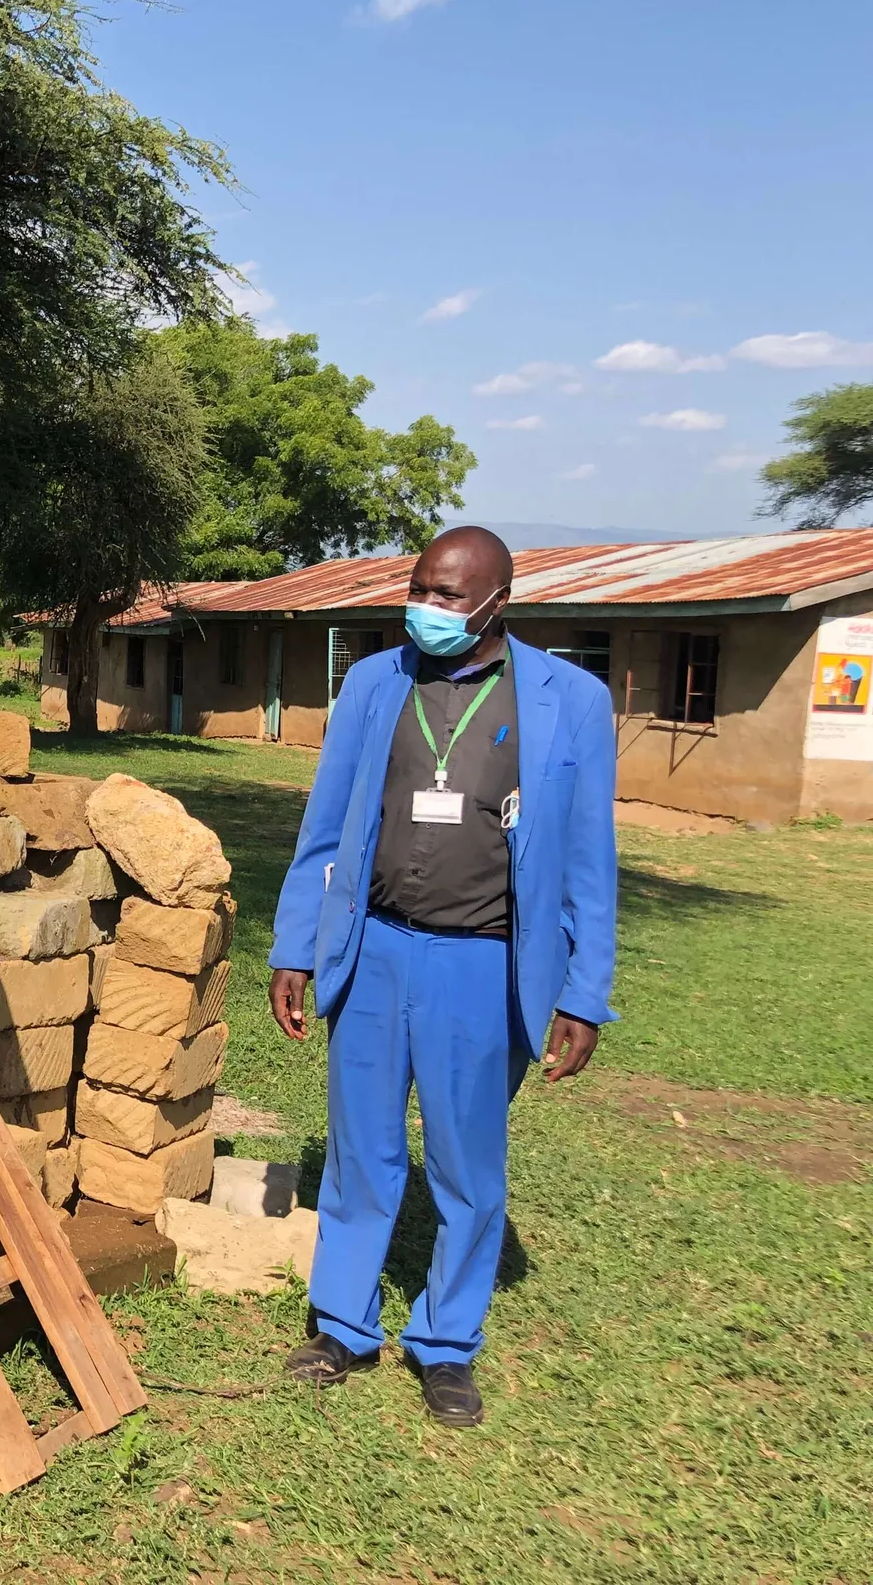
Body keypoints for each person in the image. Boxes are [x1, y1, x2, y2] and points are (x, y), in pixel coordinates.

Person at [268, 525, 617, 1427]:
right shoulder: (374, 685)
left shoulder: (566, 701)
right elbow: (325, 826)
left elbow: (589, 858)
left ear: (500, 602)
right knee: (360, 1153)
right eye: (420, 587)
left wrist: (583, 990)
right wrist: (296, 945)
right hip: (376, 950)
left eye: (450, 595)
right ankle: (344, 1324)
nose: (427, 607)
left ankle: (446, 1343)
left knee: (467, 1166)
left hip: (483, 964)